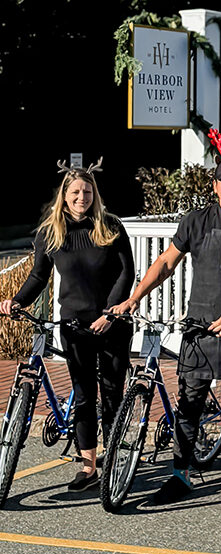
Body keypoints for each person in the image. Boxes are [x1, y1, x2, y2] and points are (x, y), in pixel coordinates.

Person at [111, 128, 221, 503]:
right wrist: (134, 298)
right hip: (200, 326)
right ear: (215, 186)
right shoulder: (195, 221)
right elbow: (166, 263)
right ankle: (180, 474)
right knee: (189, 401)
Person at [2, 161, 134, 492]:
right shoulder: (51, 232)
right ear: (64, 195)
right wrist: (17, 301)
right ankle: (89, 468)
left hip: (111, 323)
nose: (81, 197)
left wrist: (111, 313)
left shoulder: (110, 226)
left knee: (112, 396)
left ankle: (115, 458)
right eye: (75, 192)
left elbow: (125, 273)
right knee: (84, 397)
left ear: (95, 194)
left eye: (87, 192)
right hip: (73, 326)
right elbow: (38, 276)